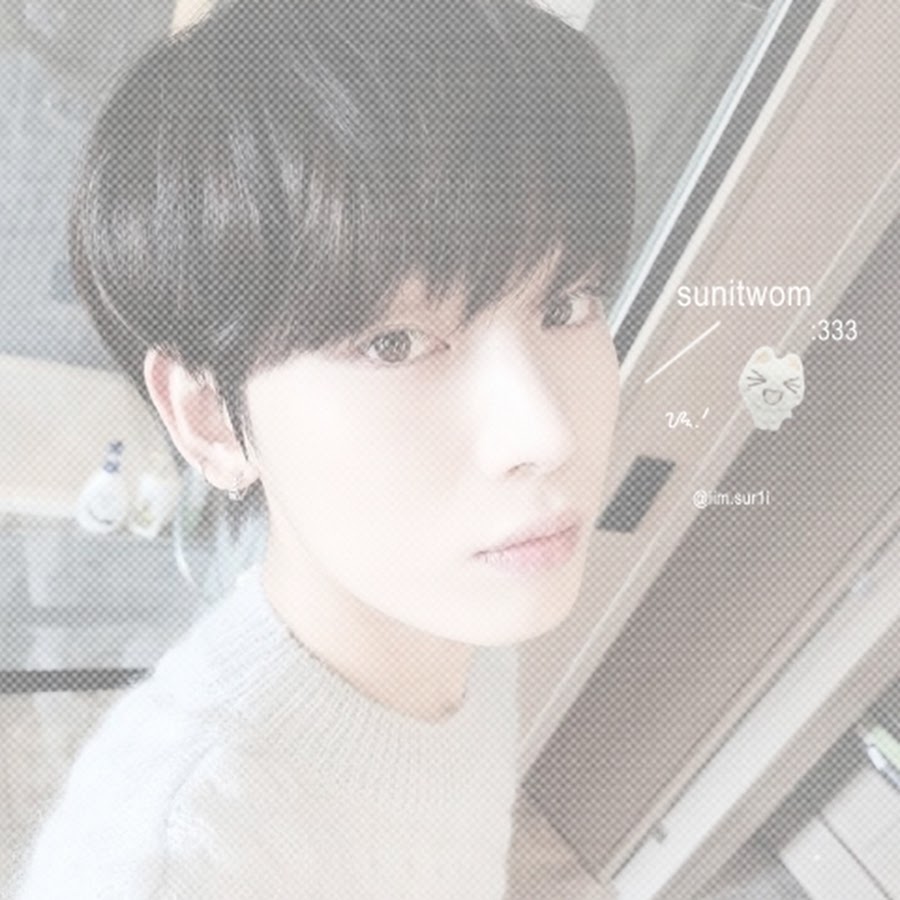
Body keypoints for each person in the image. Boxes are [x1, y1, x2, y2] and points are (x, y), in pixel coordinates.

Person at [12, 0, 635, 896]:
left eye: (567, 303)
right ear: (210, 418)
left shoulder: (463, 626)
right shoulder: (172, 861)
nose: (547, 431)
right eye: (395, 343)